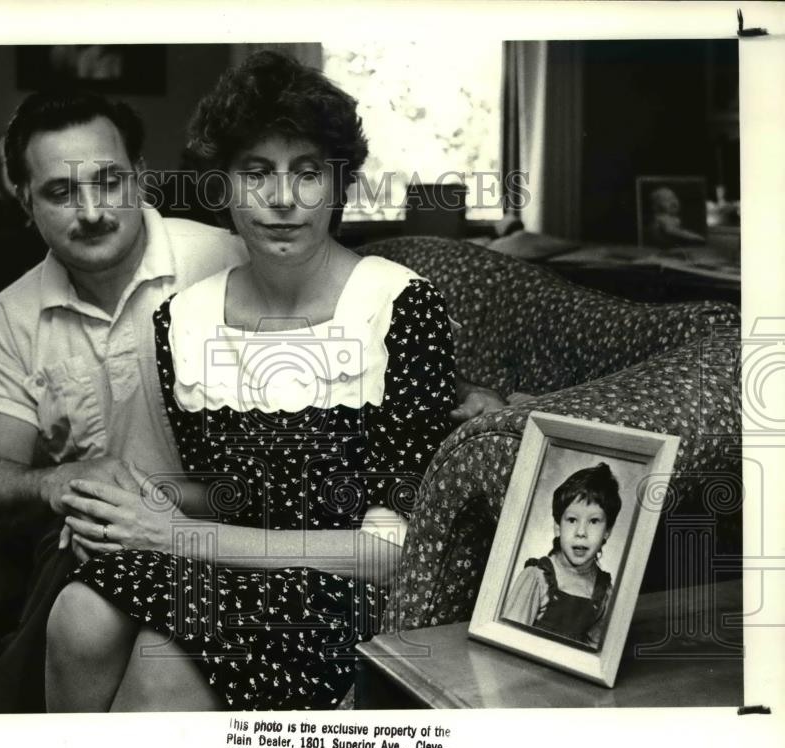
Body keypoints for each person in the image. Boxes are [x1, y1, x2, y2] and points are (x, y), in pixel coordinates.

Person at [43, 51, 495, 712]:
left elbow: (401, 552)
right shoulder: (184, 321)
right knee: (77, 614)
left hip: (341, 585)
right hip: (225, 560)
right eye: (256, 172)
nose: (283, 198)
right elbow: (235, 492)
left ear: (339, 185)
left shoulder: (400, 307)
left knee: (161, 664)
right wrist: (121, 504)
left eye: (307, 172)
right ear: (222, 186)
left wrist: (179, 537)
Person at [0, 90, 247, 714]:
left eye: (110, 182)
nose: (91, 212)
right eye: (60, 192)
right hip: (69, 530)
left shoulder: (223, 260)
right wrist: (57, 482)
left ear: (140, 177)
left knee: (82, 561)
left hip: (202, 525)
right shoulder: (12, 315)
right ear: (25, 203)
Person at [501, 462, 620, 649]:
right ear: (557, 527)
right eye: (572, 520)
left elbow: (598, 654)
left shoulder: (604, 593)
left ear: (607, 532)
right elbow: (507, 642)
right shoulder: (536, 578)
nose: (581, 532)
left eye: (594, 521)